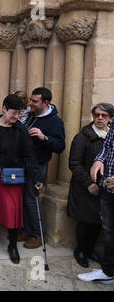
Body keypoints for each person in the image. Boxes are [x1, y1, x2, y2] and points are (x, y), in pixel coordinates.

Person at [0, 95, 43, 264]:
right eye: (13, 113)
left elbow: (29, 155)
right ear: (4, 108)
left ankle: (12, 245)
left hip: (13, 176)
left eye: (19, 114)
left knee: (12, 211)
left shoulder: (20, 129)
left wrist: (36, 178)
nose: (16, 117)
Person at [67, 103, 114, 268]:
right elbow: (74, 164)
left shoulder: (111, 137)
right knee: (85, 221)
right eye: (96, 115)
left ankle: (90, 250)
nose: (100, 118)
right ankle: (80, 250)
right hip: (84, 187)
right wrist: (89, 184)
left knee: (98, 222)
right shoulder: (82, 137)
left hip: (106, 187)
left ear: (110, 118)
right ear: (93, 116)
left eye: (104, 115)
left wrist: (108, 184)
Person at [22, 87, 65, 248]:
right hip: (23, 163)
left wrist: (44, 137)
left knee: (32, 198)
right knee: (24, 198)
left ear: (45, 102)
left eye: (34, 101)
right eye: (31, 100)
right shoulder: (30, 115)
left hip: (37, 165)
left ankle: (38, 235)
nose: (30, 103)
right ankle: (27, 230)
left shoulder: (54, 121)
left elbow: (60, 146)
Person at [78, 117, 114, 284]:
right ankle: (109, 271)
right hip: (109, 188)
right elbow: (107, 147)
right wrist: (99, 160)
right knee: (110, 231)